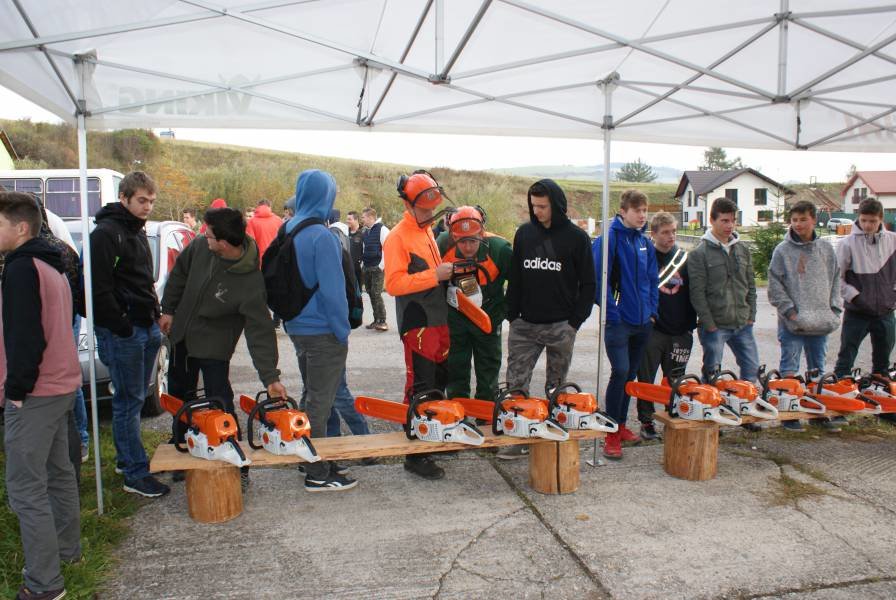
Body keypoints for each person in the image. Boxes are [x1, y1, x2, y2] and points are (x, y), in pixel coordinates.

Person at [159, 207, 287, 487]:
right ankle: (184, 450)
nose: (204, 237)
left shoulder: (250, 282)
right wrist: (168, 309)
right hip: (181, 337)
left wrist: (270, 377)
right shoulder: (200, 248)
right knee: (181, 398)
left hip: (214, 348)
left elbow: (260, 332)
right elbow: (178, 275)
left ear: (225, 243)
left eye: (209, 235)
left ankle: (237, 464)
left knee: (220, 401)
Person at [1, 191, 82, 600]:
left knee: (25, 487)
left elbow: (26, 336)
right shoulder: (53, 264)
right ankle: (68, 552)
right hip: (61, 384)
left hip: (35, 392)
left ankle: (44, 584)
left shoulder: (21, 269)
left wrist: (16, 389)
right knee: (58, 473)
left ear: (20, 227)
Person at [499, 179, 596, 459]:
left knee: (557, 387)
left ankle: (552, 435)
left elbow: (589, 284)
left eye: (542, 206)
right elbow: (515, 277)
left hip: (561, 325)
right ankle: (520, 437)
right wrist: (512, 315)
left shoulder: (577, 238)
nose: (537, 211)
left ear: (556, 204)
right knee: (516, 385)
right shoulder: (525, 234)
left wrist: (574, 322)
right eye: (534, 206)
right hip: (525, 325)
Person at [90, 171, 169, 498]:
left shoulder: (136, 230)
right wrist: (121, 325)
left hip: (145, 326)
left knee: (135, 398)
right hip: (124, 331)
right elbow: (97, 288)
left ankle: (128, 460)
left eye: (151, 201)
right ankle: (134, 473)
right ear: (123, 198)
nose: (147, 206)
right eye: (141, 200)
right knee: (128, 401)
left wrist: (155, 314)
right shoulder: (106, 234)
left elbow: (143, 281)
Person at [284, 169, 358, 492]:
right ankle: (317, 471)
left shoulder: (288, 228)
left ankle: (307, 456)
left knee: (310, 393)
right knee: (320, 402)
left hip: (297, 327)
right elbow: (333, 292)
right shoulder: (322, 236)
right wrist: (342, 331)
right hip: (323, 330)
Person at [384, 170, 454, 479]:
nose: (430, 214)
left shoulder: (425, 231)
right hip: (417, 322)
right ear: (409, 204)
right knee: (420, 387)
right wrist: (435, 275)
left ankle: (433, 434)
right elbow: (394, 284)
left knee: (438, 381)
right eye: (425, 209)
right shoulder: (398, 237)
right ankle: (416, 454)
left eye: (432, 208)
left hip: (437, 318)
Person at [593, 190, 658, 459]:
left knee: (629, 376)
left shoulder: (644, 241)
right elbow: (599, 280)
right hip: (619, 322)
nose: (642, 215)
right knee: (619, 372)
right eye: (637, 210)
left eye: (644, 210)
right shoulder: (608, 239)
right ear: (623, 211)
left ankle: (620, 426)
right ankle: (610, 432)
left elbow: (652, 280)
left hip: (643, 322)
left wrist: (652, 312)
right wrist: (613, 313)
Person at [767, 201, 843, 432]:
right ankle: (789, 414)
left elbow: (836, 279)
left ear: (813, 220)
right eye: (794, 220)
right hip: (793, 324)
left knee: (817, 369)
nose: (798, 224)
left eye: (803, 219)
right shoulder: (782, 251)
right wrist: (790, 312)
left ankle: (816, 411)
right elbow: (774, 285)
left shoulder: (826, 249)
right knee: (789, 367)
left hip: (821, 322)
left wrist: (834, 309)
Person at [436, 206, 512, 400]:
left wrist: (504, 312)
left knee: (488, 370)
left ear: (482, 233)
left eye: (473, 240)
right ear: (453, 236)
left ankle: (486, 410)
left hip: (488, 317)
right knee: (455, 368)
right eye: (462, 241)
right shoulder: (442, 244)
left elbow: (519, 284)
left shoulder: (500, 249)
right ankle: (458, 407)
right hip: (455, 318)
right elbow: (432, 281)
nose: (468, 247)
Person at [635, 212, 697, 441]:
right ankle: (647, 421)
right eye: (665, 232)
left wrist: (691, 325)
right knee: (646, 378)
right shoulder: (644, 258)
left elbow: (694, 292)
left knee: (676, 380)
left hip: (681, 330)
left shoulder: (684, 259)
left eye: (673, 231)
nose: (671, 236)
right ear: (654, 234)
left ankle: (674, 414)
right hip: (653, 330)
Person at [834, 198, 896, 425]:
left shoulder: (893, 241)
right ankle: (838, 405)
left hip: (885, 312)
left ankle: (885, 407)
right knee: (846, 358)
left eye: (872, 221)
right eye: (864, 220)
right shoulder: (847, 244)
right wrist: (856, 297)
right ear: (858, 218)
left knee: (882, 362)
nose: (868, 225)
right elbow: (836, 279)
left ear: (881, 219)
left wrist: (893, 296)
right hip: (857, 312)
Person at [689, 198, 760, 386]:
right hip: (715, 326)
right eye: (724, 221)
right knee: (712, 374)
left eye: (733, 220)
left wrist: (751, 315)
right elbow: (697, 293)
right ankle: (706, 400)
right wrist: (709, 323)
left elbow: (750, 285)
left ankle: (744, 401)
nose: (730, 225)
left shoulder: (742, 250)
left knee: (751, 369)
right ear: (712, 220)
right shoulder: (699, 254)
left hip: (742, 323)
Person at [361, 206, 390, 331]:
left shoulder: (382, 229)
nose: (362, 219)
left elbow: (388, 248)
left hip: (377, 267)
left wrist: (381, 266)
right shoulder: (365, 231)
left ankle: (383, 321)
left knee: (376, 293)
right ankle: (376, 320)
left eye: (363, 217)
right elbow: (364, 248)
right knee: (370, 293)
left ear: (371, 217)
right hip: (367, 266)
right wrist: (363, 264)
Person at [346, 210, 364, 289]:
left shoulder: (363, 232)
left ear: (356, 220)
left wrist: (362, 264)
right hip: (347, 268)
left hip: (358, 269)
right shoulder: (345, 232)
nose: (347, 221)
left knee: (358, 292)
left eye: (349, 219)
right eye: (347, 219)